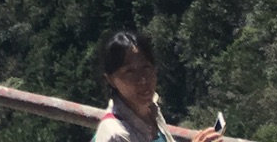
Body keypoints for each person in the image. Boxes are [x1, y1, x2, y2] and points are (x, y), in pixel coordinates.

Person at [93, 30, 223, 142]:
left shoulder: (151, 112)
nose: (142, 79)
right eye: (129, 71)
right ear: (111, 79)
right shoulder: (115, 134)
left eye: (146, 67)